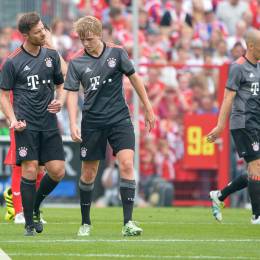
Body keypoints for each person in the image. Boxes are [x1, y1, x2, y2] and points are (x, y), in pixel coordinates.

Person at [64, 16, 155, 236]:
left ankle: (128, 223)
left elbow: (135, 79)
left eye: (90, 38)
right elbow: (72, 95)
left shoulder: (117, 52)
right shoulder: (76, 62)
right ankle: (85, 223)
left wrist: (148, 107)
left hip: (119, 118)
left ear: (100, 33)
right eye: (82, 39)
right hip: (92, 122)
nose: (86, 43)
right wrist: (73, 122)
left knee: (126, 164)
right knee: (89, 173)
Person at [0, 12, 66, 236]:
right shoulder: (13, 61)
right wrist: (12, 120)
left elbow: (60, 85)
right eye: (38, 31)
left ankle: (34, 207)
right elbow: (3, 95)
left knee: (57, 171)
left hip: (49, 122)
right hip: (26, 124)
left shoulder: (51, 56)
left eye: (43, 30)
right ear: (26, 34)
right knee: (29, 168)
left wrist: (60, 100)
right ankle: (28, 222)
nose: (43, 34)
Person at [207, 28, 260, 224]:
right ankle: (257, 216)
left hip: (257, 122)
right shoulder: (237, 67)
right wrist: (220, 125)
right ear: (252, 46)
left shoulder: (259, 67)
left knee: (255, 172)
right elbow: (228, 97)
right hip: (244, 123)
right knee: (256, 166)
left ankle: (219, 195)